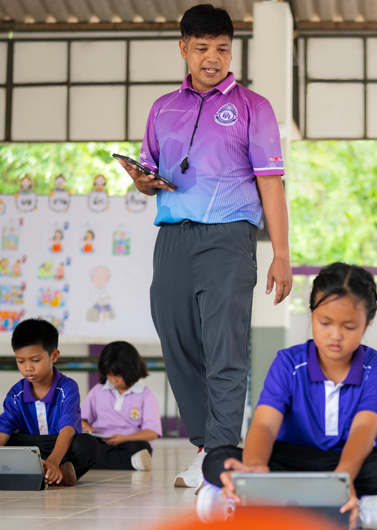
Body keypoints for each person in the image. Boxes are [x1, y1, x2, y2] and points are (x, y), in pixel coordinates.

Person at [116, 4, 292, 488]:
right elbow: (150, 174)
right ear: (183, 49)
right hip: (172, 236)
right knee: (176, 341)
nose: (211, 58)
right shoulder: (162, 109)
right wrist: (143, 182)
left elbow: (272, 182)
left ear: (231, 50)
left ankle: (219, 454)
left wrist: (281, 253)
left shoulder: (255, 108)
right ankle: (206, 444)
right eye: (201, 48)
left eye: (221, 48)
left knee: (225, 347)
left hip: (229, 237)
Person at [196, 263, 377, 530]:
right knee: (218, 460)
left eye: (349, 326)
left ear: (366, 324)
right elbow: (264, 424)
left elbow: (365, 429)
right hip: (289, 460)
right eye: (325, 323)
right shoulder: (289, 362)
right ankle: (355, 508)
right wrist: (253, 469)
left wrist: (341, 482)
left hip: (345, 462)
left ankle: (257, 504)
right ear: (311, 316)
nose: (335, 335)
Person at [0, 319, 97, 486]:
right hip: (28, 448)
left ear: (54, 356)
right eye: (20, 361)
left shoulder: (67, 388)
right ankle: (49, 475)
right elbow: (4, 429)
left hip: (58, 445)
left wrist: (53, 460)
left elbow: (68, 428)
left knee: (87, 444)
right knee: (7, 443)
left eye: (35, 360)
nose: (27, 368)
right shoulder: (16, 394)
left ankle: (56, 470)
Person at [81, 341, 162, 471]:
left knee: (141, 447)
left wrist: (125, 438)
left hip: (129, 443)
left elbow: (152, 433)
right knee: (82, 444)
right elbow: (82, 419)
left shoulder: (145, 394)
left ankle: (94, 462)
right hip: (102, 442)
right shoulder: (98, 390)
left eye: (117, 375)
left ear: (131, 371)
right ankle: (132, 463)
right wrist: (84, 425)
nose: (113, 380)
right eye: (109, 374)